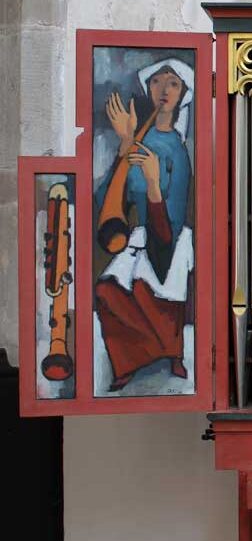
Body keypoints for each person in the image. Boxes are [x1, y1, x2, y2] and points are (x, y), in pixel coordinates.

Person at [94, 58, 194, 391]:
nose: (164, 90)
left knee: (151, 288)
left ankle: (168, 351)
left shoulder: (178, 151)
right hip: (142, 233)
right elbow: (113, 199)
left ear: (182, 95)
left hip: (170, 235)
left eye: (173, 83)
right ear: (148, 88)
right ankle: (134, 357)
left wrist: (154, 185)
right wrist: (125, 146)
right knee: (107, 290)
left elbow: (171, 225)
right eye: (157, 82)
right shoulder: (139, 137)